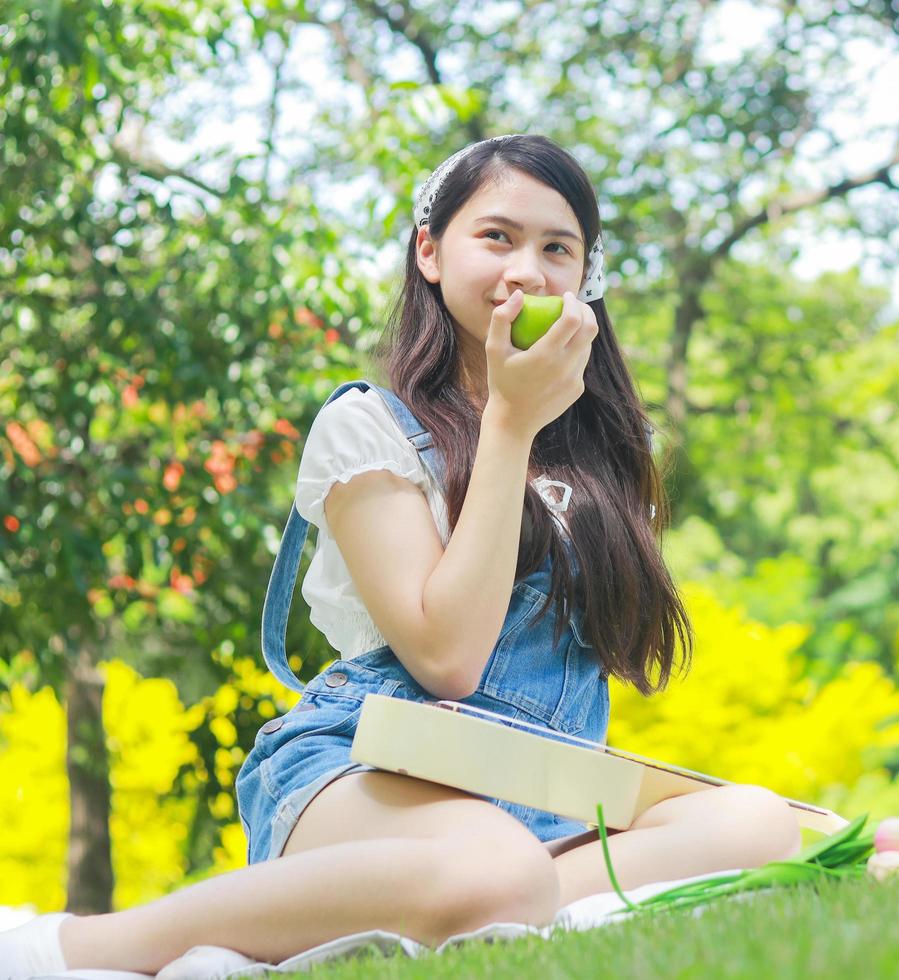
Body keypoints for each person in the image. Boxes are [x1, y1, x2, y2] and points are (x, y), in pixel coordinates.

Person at [0, 133, 800, 978]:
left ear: (585, 278)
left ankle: (468, 914)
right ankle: (73, 946)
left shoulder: (607, 456)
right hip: (363, 768)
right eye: (496, 237)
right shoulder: (370, 429)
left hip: (543, 797)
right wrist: (509, 426)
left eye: (556, 249)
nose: (527, 270)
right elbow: (447, 658)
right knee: (496, 869)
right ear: (430, 250)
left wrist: (530, 429)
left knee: (755, 823)